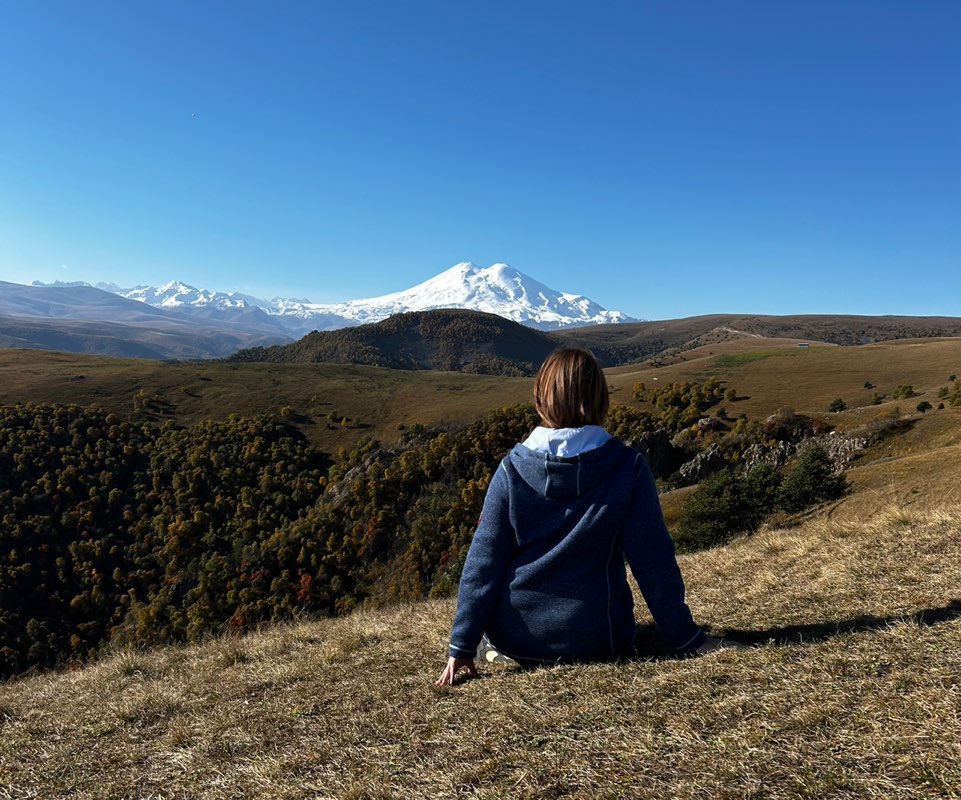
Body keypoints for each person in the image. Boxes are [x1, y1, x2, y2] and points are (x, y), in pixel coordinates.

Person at [436, 347, 739, 686]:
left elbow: (484, 561)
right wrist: (687, 638)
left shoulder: (512, 470)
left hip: (518, 640)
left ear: (540, 397)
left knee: (490, 638)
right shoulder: (627, 467)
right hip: (602, 640)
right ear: (600, 398)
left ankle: (491, 647)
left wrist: (461, 644)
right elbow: (653, 559)